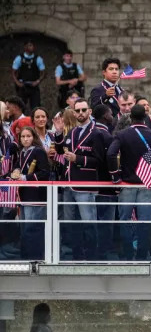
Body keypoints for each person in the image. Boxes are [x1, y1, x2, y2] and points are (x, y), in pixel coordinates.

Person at [107, 105, 151, 260]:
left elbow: (111, 154)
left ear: (130, 117)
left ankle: (127, 253)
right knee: (145, 221)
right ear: (144, 116)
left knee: (125, 220)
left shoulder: (122, 134)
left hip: (127, 183)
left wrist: (115, 176)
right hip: (147, 184)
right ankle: (142, 254)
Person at [53, 98, 104, 261]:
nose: (81, 113)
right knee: (70, 222)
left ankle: (92, 256)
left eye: (84, 110)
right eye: (78, 111)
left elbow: (99, 160)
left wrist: (78, 159)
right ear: (73, 113)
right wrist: (59, 132)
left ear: (89, 111)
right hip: (68, 183)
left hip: (85, 184)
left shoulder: (96, 133)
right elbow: (61, 151)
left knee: (89, 221)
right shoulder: (73, 131)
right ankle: (76, 254)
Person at [12, 126, 49, 260]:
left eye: (28, 136)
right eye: (23, 136)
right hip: (24, 196)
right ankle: (25, 258)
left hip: (36, 197)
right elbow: (17, 165)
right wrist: (15, 171)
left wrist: (25, 177)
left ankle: (36, 259)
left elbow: (45, 173)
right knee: (25, 229)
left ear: (33, 137)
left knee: (33, 229)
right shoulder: (22, 152)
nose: (26, 139)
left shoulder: (38, 152)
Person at [92, 104, 118, 260]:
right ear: (104, 116)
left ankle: (98, 250)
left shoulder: (93, 131)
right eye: (110, 113)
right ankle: (103, 252)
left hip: (94, 184)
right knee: (105, 221)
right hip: (105, 185)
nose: (112, 116)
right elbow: (108, 160)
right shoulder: (106, 136)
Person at [11, 39, 45, 111]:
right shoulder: (19, 58)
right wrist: (17, 83)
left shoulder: (37, 58)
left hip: (33, 86)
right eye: (30, 45)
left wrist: (38, 81)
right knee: (20, 107)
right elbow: (13, 72)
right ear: (25, 47)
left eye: (32, 45)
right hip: (23, 86)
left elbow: (43, 72)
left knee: (36, 108)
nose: (32, 47)